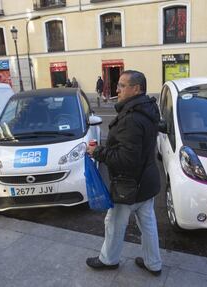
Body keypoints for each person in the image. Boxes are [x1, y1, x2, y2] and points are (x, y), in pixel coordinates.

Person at [86, 70, 162, 276]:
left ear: (136, 89)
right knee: (148, 225)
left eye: (121, 85)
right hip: (146, 181)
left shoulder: (131, 119)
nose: (116, 89)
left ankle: (108, 260)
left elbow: (126, 159)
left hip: (128, 186)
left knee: (114, 223)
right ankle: (153, 263)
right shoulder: (148, 107)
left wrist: (97, 151)